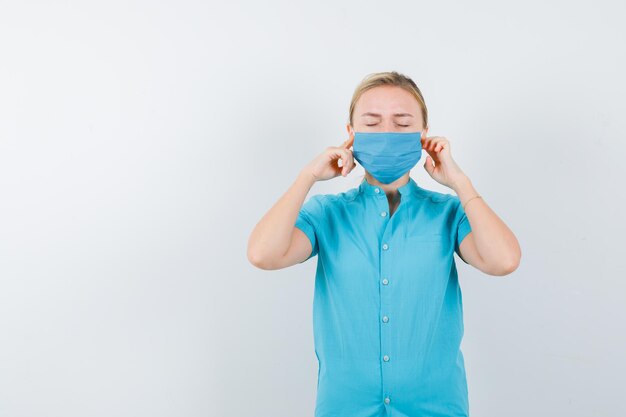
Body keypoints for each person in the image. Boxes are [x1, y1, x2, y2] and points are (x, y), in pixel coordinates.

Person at [247, 71, 521, 417]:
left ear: (424, 135)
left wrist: (461, 183)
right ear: (350, 134)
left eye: (402, 123)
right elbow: (263, 253)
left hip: (435, 408)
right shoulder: (327, 213)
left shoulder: (448, 213)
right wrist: (308, 177)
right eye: (372, 123)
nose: (387, 134)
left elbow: (504, 261)